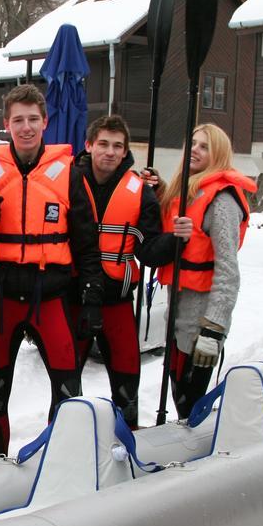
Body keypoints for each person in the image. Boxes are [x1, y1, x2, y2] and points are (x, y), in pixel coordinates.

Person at [0, 84, 103, 456]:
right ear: (6, 124)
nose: (26, 127)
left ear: (45, 122)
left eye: (33, 119)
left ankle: (58, 455)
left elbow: (86, 243)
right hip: (3, 297)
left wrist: (91, 298)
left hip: (51, 297)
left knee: (67, 386)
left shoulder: (69, 175)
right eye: (18, 120)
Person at [71, 115, 192, 429]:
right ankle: (64, 438)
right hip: (73, 297)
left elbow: (148, 250)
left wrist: (175, 241)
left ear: (125, 152)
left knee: (127, 377)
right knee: (66, 380)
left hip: (117, 300)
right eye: (103, 144)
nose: (110, 152)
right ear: (89, 146)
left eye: (117, 146)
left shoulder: (141, 192)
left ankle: (131, 438)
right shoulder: (67, 181)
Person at [153, 122, 257, 419]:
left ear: (219, 154)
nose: (195, 151)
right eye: (193, 144)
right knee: (179, 393)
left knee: (191, 398)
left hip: (202, 320)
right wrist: (158, 186)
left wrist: (214, 328)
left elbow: (228, 271)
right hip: (179, 313)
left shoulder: (222, 200)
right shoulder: (189, 189)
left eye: (204, 146)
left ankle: (200, 449)